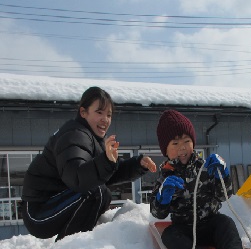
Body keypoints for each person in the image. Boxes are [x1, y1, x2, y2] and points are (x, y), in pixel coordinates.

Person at [21, 86, 157, 240]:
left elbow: (107, 174)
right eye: (99, 112)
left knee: (98, 189)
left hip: (52, 205)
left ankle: (75, 245)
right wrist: (106, 160)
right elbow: (77, 178)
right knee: (97, 192)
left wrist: (137, 164)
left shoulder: (91, 138)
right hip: (39, 211)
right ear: (83, 112)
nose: (105, 119)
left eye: (109, 115)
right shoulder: (73, 135)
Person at [149, 109, 251, 249]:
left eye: (186, 141)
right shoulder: (165, 176)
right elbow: (158, 213)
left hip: (210, 224)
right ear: (165, 150)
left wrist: (224, 175)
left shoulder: (206, 167)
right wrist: (162, 198)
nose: (182, 147)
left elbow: (223, 196)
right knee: (169, 235)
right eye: (175, 144)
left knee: (225, 222)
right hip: (184, 229)